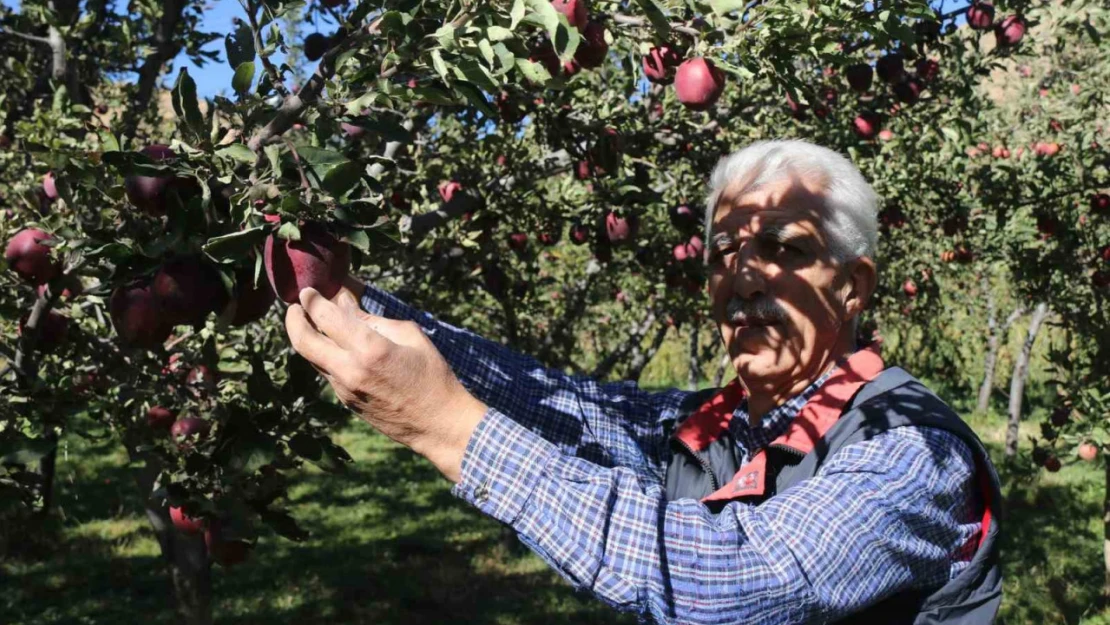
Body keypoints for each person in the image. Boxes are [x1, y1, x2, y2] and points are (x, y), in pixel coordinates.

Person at [284, 139, 1002, 624]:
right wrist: (337, 293)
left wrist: (445, 425)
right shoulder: (711, 424)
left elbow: (734, 581)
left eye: (784, 248)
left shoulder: (912, 451)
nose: (742, 275)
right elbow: (542, 396)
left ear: (852, 286)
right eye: (723, 252)